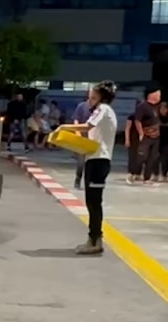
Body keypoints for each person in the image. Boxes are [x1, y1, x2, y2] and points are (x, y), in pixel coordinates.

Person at [57, 81, 117, 254]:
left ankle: (95, 240)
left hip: (99, 161)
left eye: (93, 96)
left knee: (94, 202)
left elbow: (87, 126)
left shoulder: (103, 109)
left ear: (101, 97)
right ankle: (93, 238)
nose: (89, 99)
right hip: (95, 159)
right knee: (92, 201)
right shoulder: (101, 111)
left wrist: (64, 127)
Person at [133, 86, 162, 185]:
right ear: (152, 95)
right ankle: (135, 173)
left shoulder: (157, 107)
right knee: (142, 155)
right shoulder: (142, 106)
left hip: (156, 136)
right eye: (158, 94)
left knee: (153, 157)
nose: (159, 97)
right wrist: (141, 133)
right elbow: (137, 120)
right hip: (146, 135)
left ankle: (147, 178)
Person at [72, 92, 92, 189]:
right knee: (81, 161)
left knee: (92, 162)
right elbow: (76, 119)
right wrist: (77, 132)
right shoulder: (82, 106)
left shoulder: (99, 108)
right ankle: (78, 179)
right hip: (82, 135)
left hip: (94, 136)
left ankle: (89, 182)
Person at [157, 102, 168, 182]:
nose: (163, 110)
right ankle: (155, 174)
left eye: (165, 109)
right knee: (156, 158)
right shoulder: (156, 118)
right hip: (157, 141)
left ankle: (164, 175)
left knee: (165, 159)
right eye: (161, 108)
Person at [124, 104, 141, 183]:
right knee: (132, 156)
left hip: (141, 138)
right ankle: (131, 172)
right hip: (133, 138)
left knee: (140, 156)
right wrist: (127, 139)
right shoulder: (132, 116)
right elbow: (127, 128)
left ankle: (138, 173)